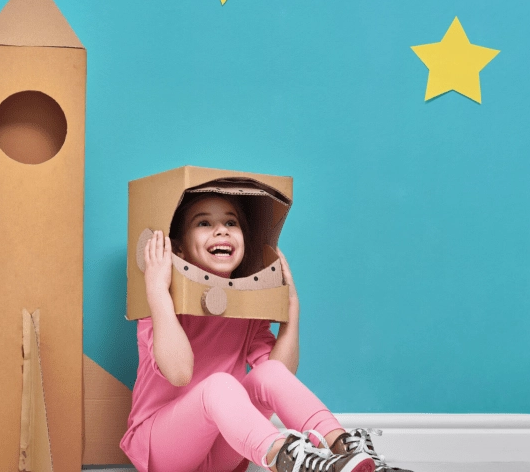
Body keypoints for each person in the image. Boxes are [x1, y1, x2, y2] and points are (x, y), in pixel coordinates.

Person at [120, 193, 405, 472]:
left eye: (231, 223)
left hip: (225, 450)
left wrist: (290, 309)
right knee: (219, 384)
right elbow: (180, 373)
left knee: (267, 372)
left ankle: (348, 451)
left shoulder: (247, 304)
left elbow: (279, 377)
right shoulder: (159, 303)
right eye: (204, 223)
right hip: (162, 450)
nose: (222, 230)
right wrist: (157, 290)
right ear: (179, 248)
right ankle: (290, 461)